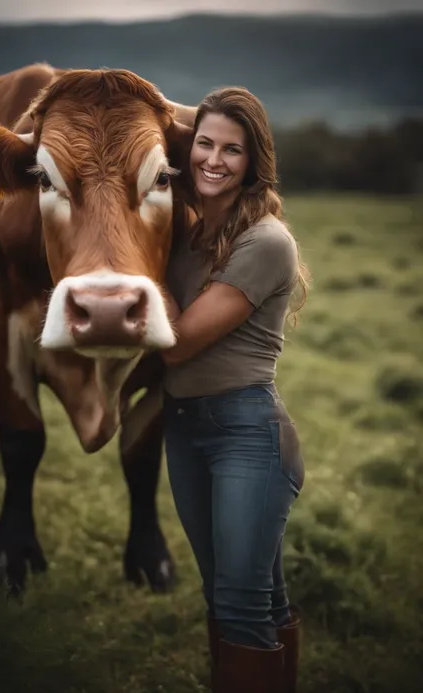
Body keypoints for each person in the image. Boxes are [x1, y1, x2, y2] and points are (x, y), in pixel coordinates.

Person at [160, 87, 309, 693]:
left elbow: (174, 343)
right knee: (244, 596)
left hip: (246, 435)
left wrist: (135, 277)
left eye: (233, 150)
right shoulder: (191, 233)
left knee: (240, 602)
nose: (213, 160)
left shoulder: (266, 241)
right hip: (185, 428)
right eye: (204, 143)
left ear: (254, 162)